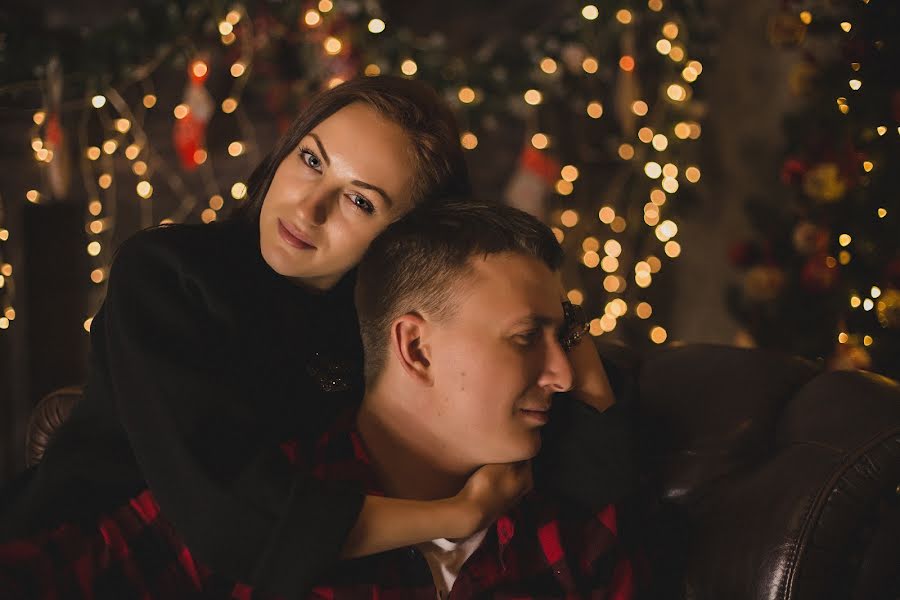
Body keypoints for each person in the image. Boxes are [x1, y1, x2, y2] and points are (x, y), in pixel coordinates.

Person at [0, 76, 633, 597]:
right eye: (311, 161)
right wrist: (457, 516)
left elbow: (590, 466)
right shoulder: (170, 274)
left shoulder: (377, 328)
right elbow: (231, 522)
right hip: (84, 553)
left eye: (361, 201)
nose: (307, 209)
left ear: (401, 236)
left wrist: (563, 321)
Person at [304, 200, 635, 597]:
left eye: (562, 339)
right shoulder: (261, 526)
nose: (564, 377)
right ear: (417, 349)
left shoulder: (575, 537)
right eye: (526, 337)